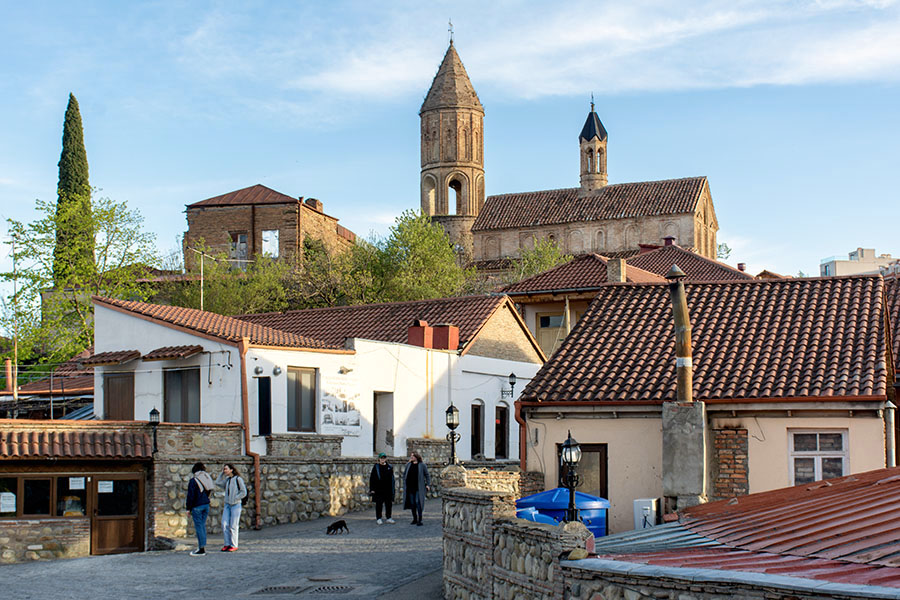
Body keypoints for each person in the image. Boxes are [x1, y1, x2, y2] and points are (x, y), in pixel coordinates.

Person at [215, 463, 248, 552]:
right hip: (227, 505)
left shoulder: (238, 479)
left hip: (236, 505)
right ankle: (227, 544)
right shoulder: (227, 480)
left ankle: (234, 544)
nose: (225, 470)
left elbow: (243, 491)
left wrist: (236, 498)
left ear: (231, 470)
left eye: (226, 469)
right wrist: (221, 474)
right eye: (224, 469)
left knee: (233, 525)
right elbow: (217, 483)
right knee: (224, 524)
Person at [186, 461, 215, 556]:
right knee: (202, 526)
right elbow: (210, 490)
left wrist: (188, 508)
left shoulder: (194, 480)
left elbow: (191, 496)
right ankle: (203, 546)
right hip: (206, 504)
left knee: (199, 527)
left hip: (197, 506)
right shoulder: (207, 478)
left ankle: (201, 548)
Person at [402, 451, 430, 526]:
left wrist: (428, 484)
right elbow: (405, 474)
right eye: (411, 456)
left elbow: (427, 475)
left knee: (418, 502)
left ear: (416, 457)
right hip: (410, 487)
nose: (411, 457)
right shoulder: (408, 465)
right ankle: (414, 518)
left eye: (413, 456)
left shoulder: (422, 465)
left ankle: (419, 519)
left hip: (419, 488)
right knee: (412, 504)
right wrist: (405, 482)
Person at [369, 452, 395, 524]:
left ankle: (389, 517)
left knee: (388, 504)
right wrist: (372, 489)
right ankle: (379, 518)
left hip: (388, 489)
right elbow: (372, 478)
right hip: (378, 489)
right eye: (381, 458)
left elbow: (392, 479)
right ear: (379, 459)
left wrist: (393, 488)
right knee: (379, 504)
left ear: (386, 459)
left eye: (384, 458)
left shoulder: (389, 467)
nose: (383, 459)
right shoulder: (376, 467)